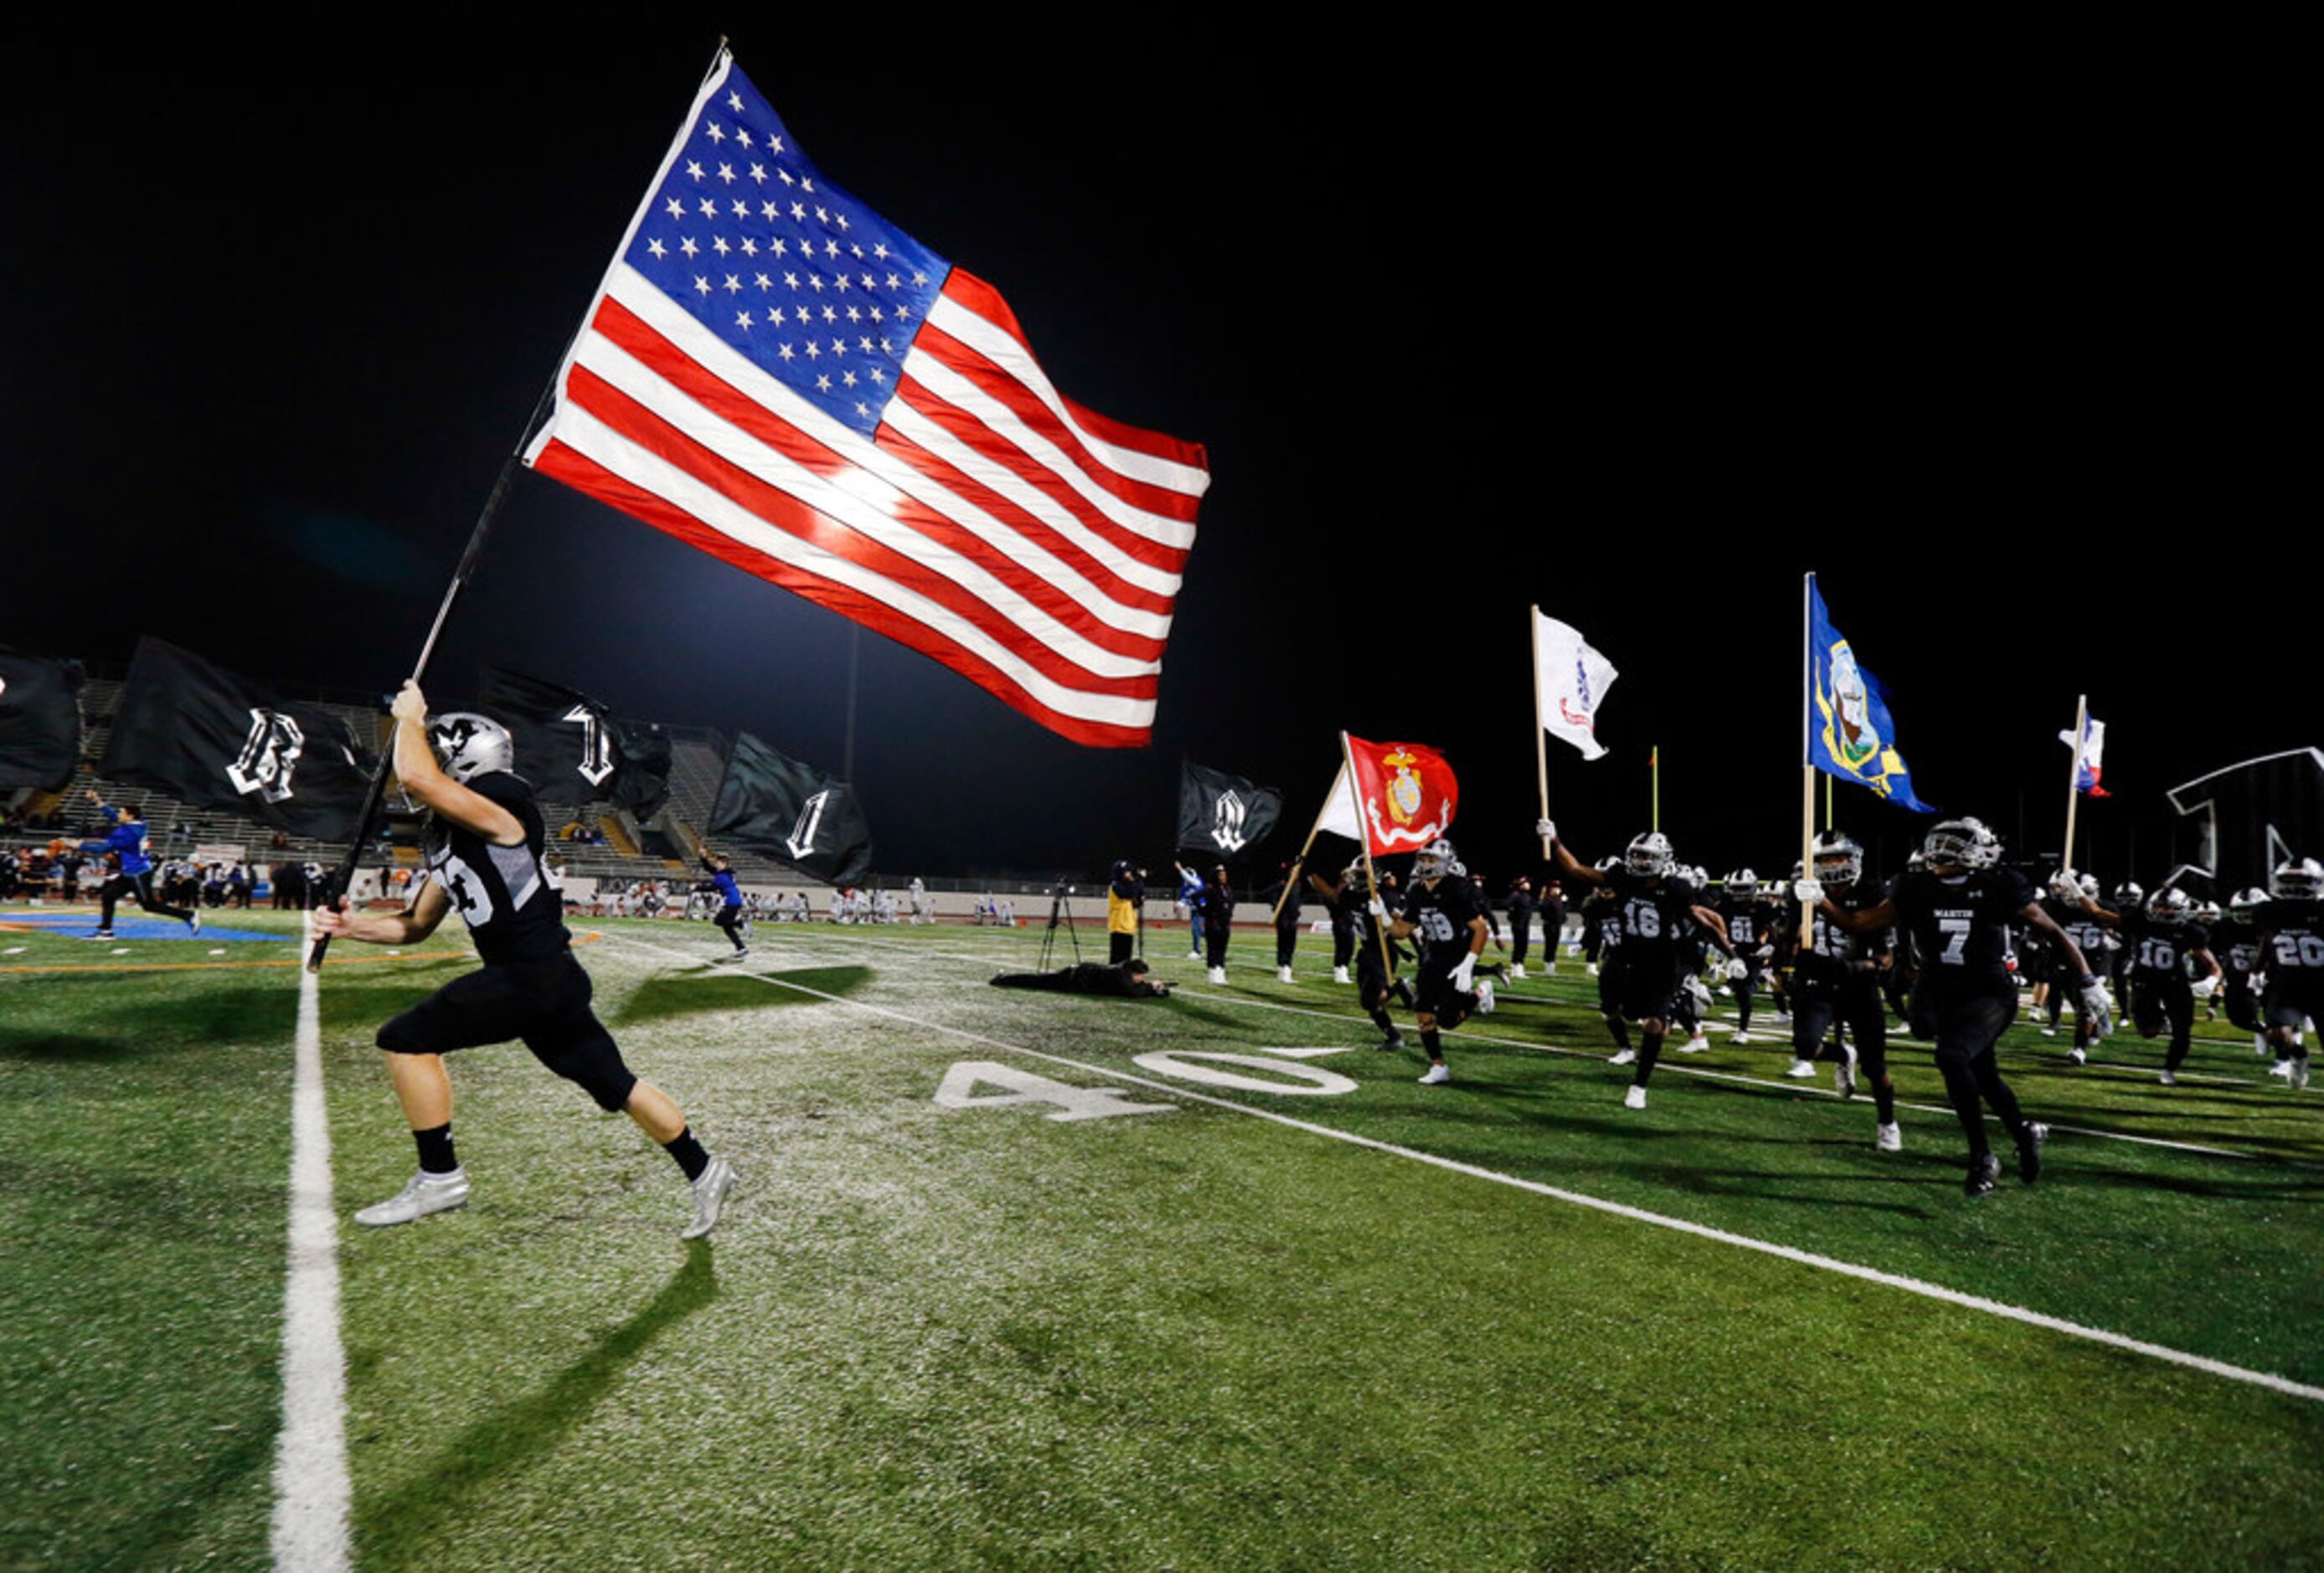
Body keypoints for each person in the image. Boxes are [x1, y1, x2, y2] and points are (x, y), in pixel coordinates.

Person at [312, 681, 735, 1236]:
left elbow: (418, 775)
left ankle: (440, 1176)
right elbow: (414, 926)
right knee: (616, 1084)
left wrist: (411, 719)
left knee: (404, 1040)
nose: (430, 763)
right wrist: (350, 927)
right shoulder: (453, 834)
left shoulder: (506, 803)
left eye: (443, 752)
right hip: (547, 981)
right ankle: (705, 1169)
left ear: (466, 756)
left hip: (527, 976)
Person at [1812, 817, 2105, 1196]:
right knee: (1982, 1073)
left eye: (1950, 845)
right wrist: (1819, 901)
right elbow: (1859, 923)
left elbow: (2052, 930)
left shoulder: (1998, 884)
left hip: (1989, 992)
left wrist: (2087, 981)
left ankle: (1982, 1157)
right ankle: (2023, 1130)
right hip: (1942, 990)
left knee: (1951, 1057)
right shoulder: (1915, 887)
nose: (1941, 852)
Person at [1542, 823, 1736, 1108]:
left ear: (1663, 859)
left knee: (1655, 1025)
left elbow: (1704, 920)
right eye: (1638, 855)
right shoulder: (1622, 877)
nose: (1642, 861)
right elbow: (1576, 870)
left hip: (1665, 962)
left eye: (1648, 856)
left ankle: (1639, 1086)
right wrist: (1554, 839)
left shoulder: (1675, 887)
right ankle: (1683, 999)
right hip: (1629, 959)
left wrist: (1732, 954)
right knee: (1626, 1013)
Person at [1776, 833, 1902, 1148]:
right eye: (1825, 860)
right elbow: (1791, 932)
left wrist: (1861, 967)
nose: (1833, 865)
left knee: (1875, 1067)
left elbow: (1885, 956)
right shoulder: (1802, 890)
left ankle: (1887, 1121)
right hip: (1818, 979)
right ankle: (1842, 1053)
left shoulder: (1872, 891)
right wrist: (1783, 968)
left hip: (1860, 985)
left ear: (1854, 858)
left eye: (1839, 858)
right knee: (1805, 1046)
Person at [2053, 880, 2218, 1085]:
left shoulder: (2190, 931)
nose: (2161, 911)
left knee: (2183, 1031)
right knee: (2147, 1032)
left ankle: (2169, 1071)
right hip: (2145, 981)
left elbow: (2214, 965)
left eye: (2167, 908)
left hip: (2175, 983)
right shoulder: (2141, 921)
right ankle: (2161, 1016)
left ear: (2180, 910)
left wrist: (2211, 981)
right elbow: (2097, 913)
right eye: (2158, 906)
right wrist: (2077, 891)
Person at [1379, 838, 1490, 1084]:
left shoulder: (1457, 887)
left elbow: (1481, 929)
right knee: (1422, 1009)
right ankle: (1439, 1066)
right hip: (1433, 955)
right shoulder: (1417, 891)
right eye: (1423, 859)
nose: (1426, 864)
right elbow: (1402, 931)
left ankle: (1481, 993)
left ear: (1446, 862)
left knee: (1449, 1020)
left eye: (1432, 859)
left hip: (1459, 956)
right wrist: (1384, 917)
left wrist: (1469, 963)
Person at [1310, 861, 1405, 1048]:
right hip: (1366, 952)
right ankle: (1393, 1036)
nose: (1356, 878)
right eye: (1356, 875)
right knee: (1367, 1003)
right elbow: (1331, 894)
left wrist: (1386, 914)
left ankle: (1398, 988)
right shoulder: (1350, 895)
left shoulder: (1382, 896)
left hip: (1383, 951)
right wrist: (1309, 873)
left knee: (1376, 998)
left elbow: (1398, 924)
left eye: (1361, 875)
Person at [78, 792, 199, 939]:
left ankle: (188, 915)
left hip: (137, 872)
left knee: (149, 905)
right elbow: (114, 817)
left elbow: (104, 848)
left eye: (122, 813)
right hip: (133, 870)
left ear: (129, 816)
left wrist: (79, 845)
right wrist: (97, 801)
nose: (118, 815)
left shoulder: (128, 833)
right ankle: (106, 930)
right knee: (108, 896)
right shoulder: (140, 824)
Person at [2250, 858, 2324, 1091]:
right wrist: (2256, 971)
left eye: (2300, 881)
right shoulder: (2269, 911)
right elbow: (2267, 941)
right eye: (2287, 881)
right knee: (2277, 1034)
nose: (2293, 887)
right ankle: (2298, 1054)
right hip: (2287, 984)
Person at [990, 957, 1175, 998]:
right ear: (1133, 973)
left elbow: (1133, 988)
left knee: (1036, 980)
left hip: (1076, 975)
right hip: (1071, 977)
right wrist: (1152, 988)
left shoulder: (1122, 972)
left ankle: (1004, 979)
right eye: (1140, 976)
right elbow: (1132, 992)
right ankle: (1003, 979)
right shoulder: (1122, 976)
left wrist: (1151, 987)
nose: (1141, 979)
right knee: (1034, 981)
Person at [699, 848, 750, 958]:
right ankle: (741, 948)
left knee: (718, 921)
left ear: (724, 864)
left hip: (731, 902)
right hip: (734, 901)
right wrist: (703, 857)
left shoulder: (722, 876)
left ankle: (741, 924)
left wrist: (696, 888)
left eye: (718, 862)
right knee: (727, 927)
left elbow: (712, 888)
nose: (716, 864)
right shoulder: (724, 873)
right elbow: (709, 868)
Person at [1197, 866, 1234, 984]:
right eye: (1220, 875)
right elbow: (1195, 897)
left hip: (1225, 922)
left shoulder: (1228, 889)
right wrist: (1203, 910)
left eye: (1224, 875)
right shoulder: (1210, 888)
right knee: (1213, 948)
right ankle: (1212, 973)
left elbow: (1231, 902)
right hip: (1213, 922)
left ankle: (1221, 972)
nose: (1223, 877)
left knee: (1222, 949)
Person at [1107, 860, 1142, 966]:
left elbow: (1136, 903)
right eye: (1126, 871)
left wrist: (1140, 898)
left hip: (1129, 926)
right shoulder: (1115, 885)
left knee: (1126, 960)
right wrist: (1138, 880)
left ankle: (1123, 980)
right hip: (1118, 926)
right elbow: (1128, 894)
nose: (1129, 874)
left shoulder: (1128, 886)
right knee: (1116, 959)